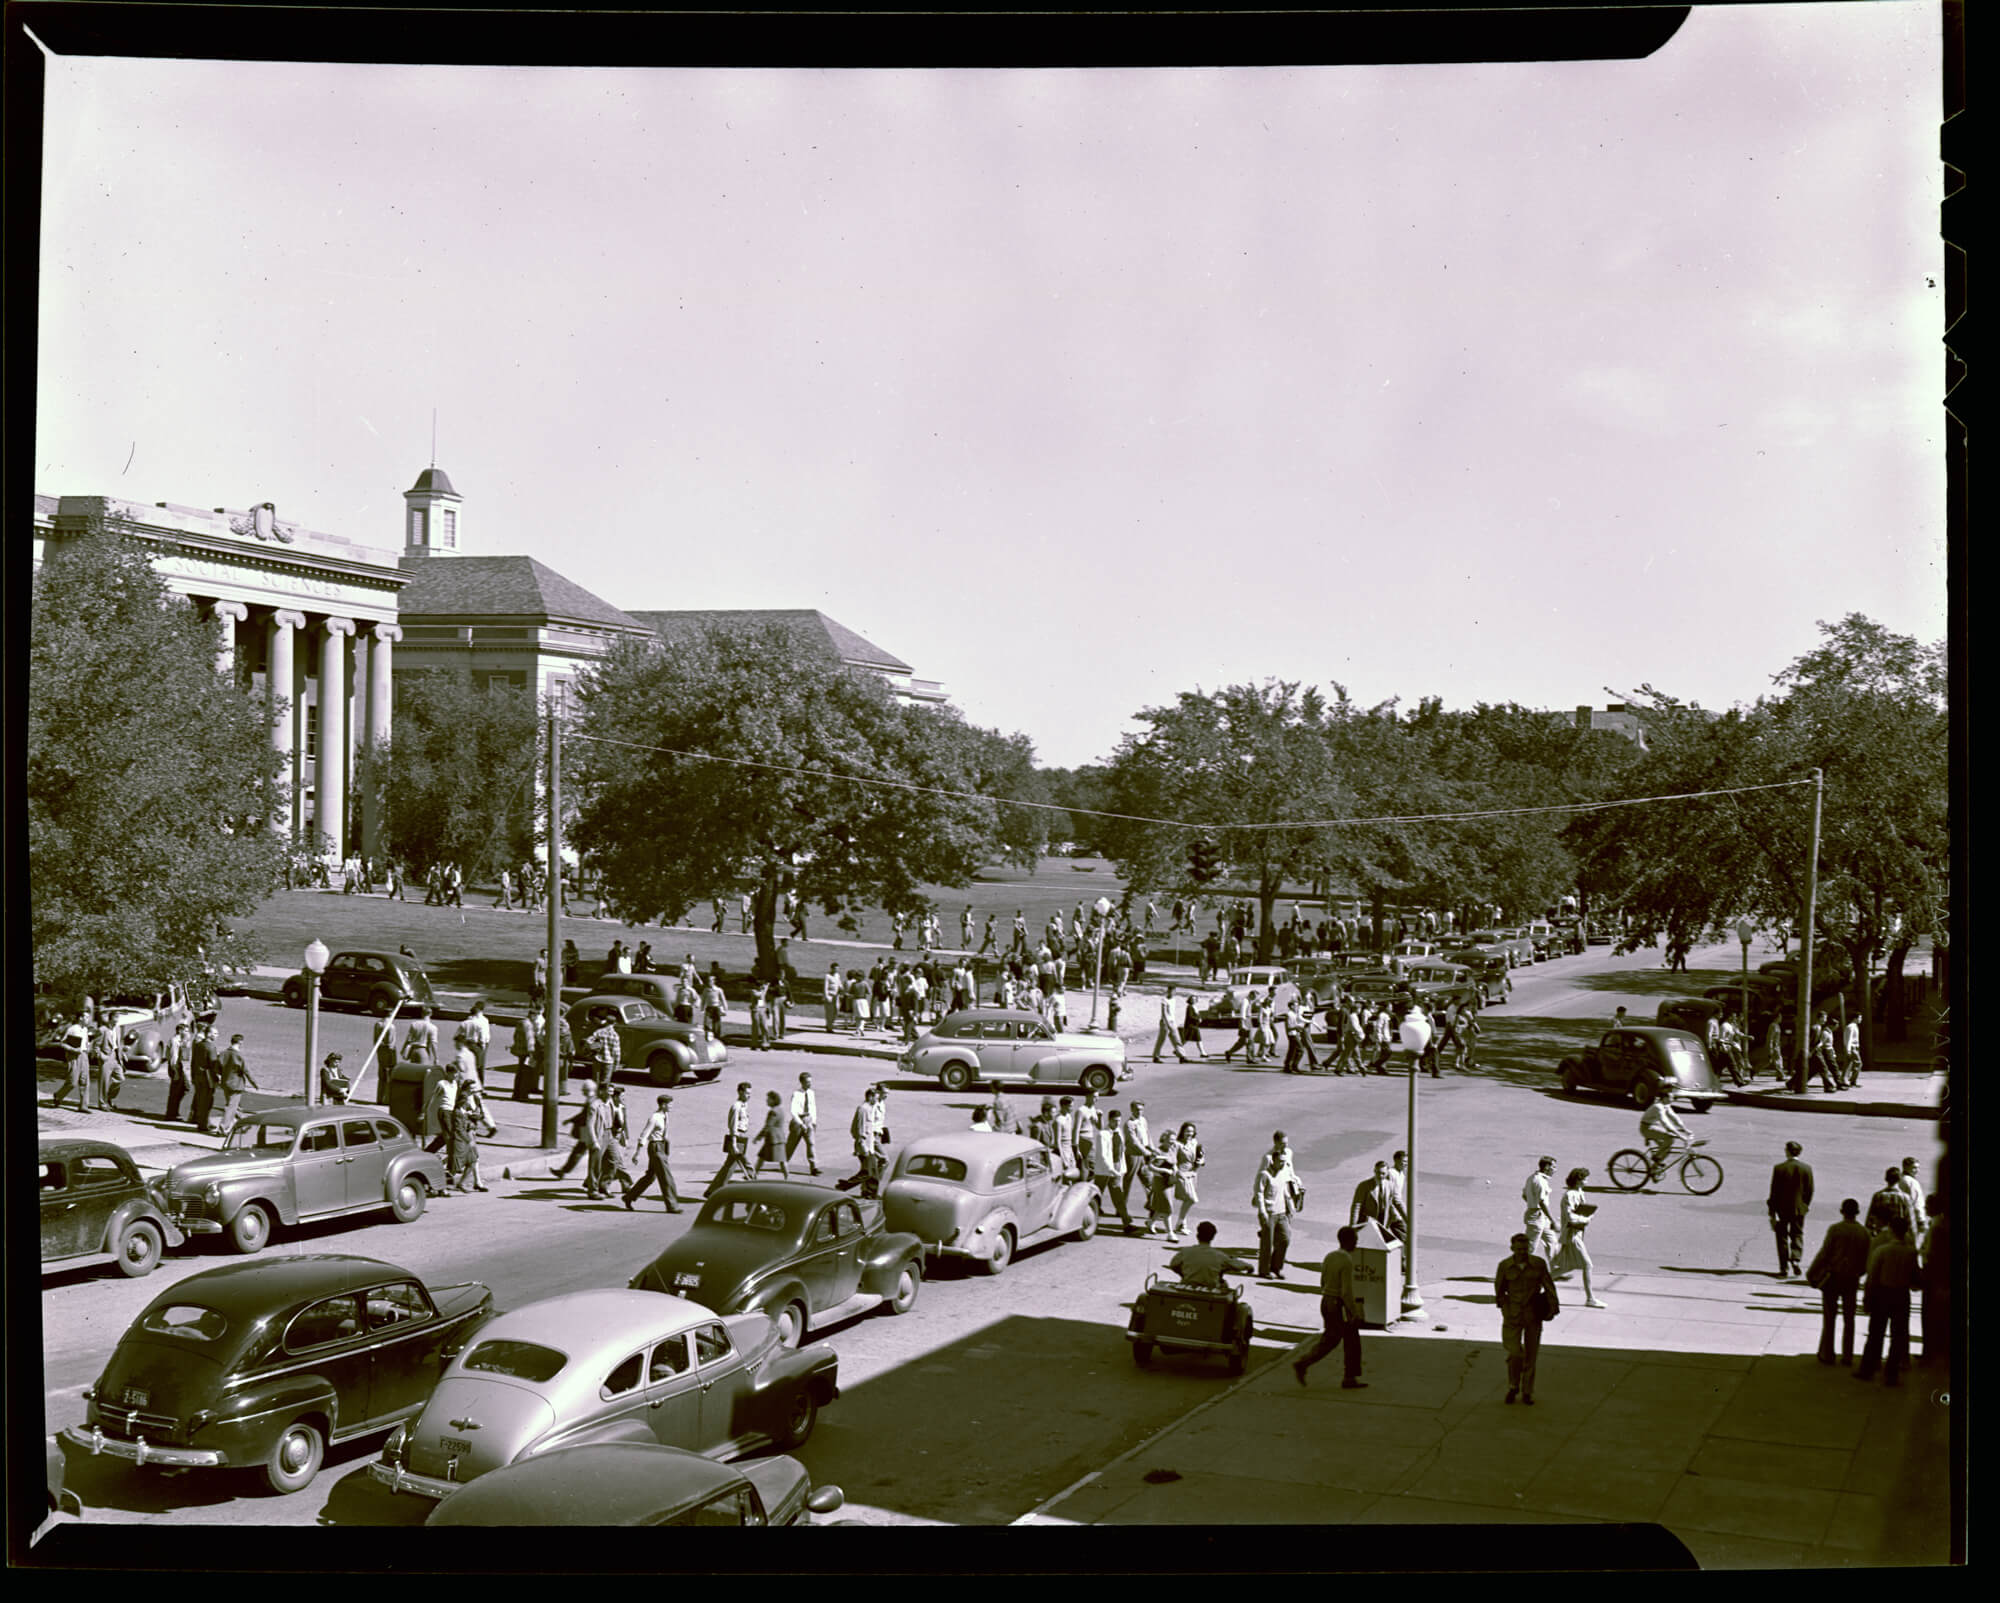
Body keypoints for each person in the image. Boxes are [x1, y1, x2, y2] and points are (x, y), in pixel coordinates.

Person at [1294, 1226, 1367, 1389]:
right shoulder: (1347, 1260)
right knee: (1340, 1340)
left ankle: (1349, 1376)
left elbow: (1323, 1281)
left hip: (1326, 1301)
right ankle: (1305, 1363)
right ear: (1348, 1241)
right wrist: (1354, 1312)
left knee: (1340, 1338)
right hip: (1338, 1304)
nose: (1356, 1243)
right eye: (1355, 1240)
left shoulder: (1330, 1256)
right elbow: (1346, 1291)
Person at [1494, 1231, 1560, 1404]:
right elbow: (1499, 1292)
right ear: (1512, 1249)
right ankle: (1513, 1386)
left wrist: (1553, 1308)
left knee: (1531, 1355)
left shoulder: (1538, 1264)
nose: (1522, 1252)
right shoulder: (1505, 1266)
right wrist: (1506, 1310)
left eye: (1525, 1249)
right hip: (1513, 1316)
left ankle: (1527, 1392)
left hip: (1533, 1316)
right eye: (1519, 1249)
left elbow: (1549, 1286)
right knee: (1515, 1354)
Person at [1854, 1216, 1921, 1386]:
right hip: (1901, 1295)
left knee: (1876, 1334)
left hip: (1882, 1294)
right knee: (1898, 1336)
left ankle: (1868, 1368)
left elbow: (1872, 1278)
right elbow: (1915, 1280)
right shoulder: (1911, 1252)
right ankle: (1892, 1373)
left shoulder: (1881, 1251)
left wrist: (1867, 1298)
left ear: (1890, 1229)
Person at [1806, 1198, 1872, 1365]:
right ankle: (1847, 1355)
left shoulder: (1835, 1230)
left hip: (1834, 1277)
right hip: (1852, 1278)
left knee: (1830, 1316)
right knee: (1849, 1318)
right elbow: (1867, 1259)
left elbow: (1824, 1253)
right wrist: (1859, 1272)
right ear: (1857, 1213)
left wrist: (1812, 1272)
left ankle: (1827, 1353)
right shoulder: (1864, 1233)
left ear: (1842, 1211)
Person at [1553, 1166, 1607, 1307]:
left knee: (1567, 1266)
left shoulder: (1579, 1192)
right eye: (1585, 1178)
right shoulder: (1570, 1195)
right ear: (1578, 1180)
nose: (1587, 1181)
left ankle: (1534, 1284)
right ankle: (1590, 1298)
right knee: (1587, 1265)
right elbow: (1570, 1216)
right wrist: (1587, 1219)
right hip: (1572, 1234)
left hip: (1577, 1233)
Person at [1253, 1133, 1305, 1278]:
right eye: (1280, 1162)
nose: (1283, 1164)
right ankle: (1264, 1270)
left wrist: (1297, 1187)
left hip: (1282, 1210)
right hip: (1269, 1211)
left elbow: (1290, 1175)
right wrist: (1262, 1211)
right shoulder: (1266, 1167)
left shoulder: (1285, 1162)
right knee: (1267, 1243)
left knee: (1285, 1238)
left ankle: (1276, 1267)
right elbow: (1258, 1191)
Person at [1766, 1140, 1815, 1278]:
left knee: (1781, 1237)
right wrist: (1805, 1205)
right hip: (1799, 1209)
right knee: (1797, 1234)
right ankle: (1795, 1259)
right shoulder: (1807, 1168)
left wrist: (1772, 1211)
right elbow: (1810, 1190)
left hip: (1782, 1209)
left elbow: (1774, 1191)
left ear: (1787, 1151)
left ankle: (1784, 1268)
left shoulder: (1779, 1168)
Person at [1091, 1110, 1134, 1233]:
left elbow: (1121, 1151)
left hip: (1116, 1168)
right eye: (1115, 1121)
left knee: (1118, 1196)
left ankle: (1127, 1223)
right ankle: (1090, 1222)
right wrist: (1111, 1169)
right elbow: (1103, 1155)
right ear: (1109, 1120)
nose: (1117, 1123)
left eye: (1119, 1121)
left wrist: (1121, 1168)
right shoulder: (1102, 1134)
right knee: (1096, 1196)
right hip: (1104, 1170)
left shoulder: (1118, 1132)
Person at [708, 1083, 756, 1193]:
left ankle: (713, 1191)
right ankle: (755, 1187)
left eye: (750, 1093)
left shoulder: (744, 1105)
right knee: (747, 1165)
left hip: (741, 1137)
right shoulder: (736, 1107)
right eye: (747, 1093)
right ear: (740, 1092)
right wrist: (734, 1144)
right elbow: (733, 1126)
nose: (749, 1096)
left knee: (729, 1167)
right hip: (737, 1138)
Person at [1349, 1160, 1406, 1243]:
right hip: (1367, 1222)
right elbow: (1357, 1206)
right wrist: (1353, 1226)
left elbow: (1398, 1203)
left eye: (1383, 1173)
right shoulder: (1364, 1186)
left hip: (1383, 1221)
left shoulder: (1391, 1185)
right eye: (1378, 1172)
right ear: (1374, 1171)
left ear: (1387, 1173)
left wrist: (1408, 1219)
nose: (1380, 1176)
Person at [1168, 1221, 1234, 1289]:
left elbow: (1173, 1265)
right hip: (1210, 1289)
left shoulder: (1186, 1251)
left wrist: (1183, 1274)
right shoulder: (1219, 1255)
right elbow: (1240, 1265)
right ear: (1212, 1237)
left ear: (1197, 1236)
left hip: (1187, 1286)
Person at [212, 1035, 257, 1134]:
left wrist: (225, 1074)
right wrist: (254, 1083)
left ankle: (243, 1124)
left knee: (235, 1106)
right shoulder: (238, 1055)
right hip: (236, 1084)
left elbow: (217, 1068)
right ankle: (223, 1128)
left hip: (225, 1082)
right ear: (240, 1042)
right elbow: (246, 1071)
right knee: (231, 1106)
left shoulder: (223, 1053)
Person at [1638, 1096, 1689, 1181]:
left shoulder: (1666, 1105)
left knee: (1667, 1149)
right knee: (1669, 1139)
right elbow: (1666, 1123)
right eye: (1671, 1097)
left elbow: (1675, 1118)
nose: (1673, 1099)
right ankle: (1655, 1159)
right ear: (1664, 1098)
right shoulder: (1658, 1106)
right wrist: (1680, 1135)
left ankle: (1654, 1169)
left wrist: (1685, 1129)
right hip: (1647, 1128)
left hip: (1654, 1126)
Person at [1169, 1122, 1205, 1240]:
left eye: (1191, 1131)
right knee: (1191, 1199)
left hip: (1193, 1174)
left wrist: (1201, 1161)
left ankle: (1152, 1221)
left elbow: (1201, 1156)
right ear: (1182, 1132)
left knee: (1187, 1199)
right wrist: (1176, 1172)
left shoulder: (1194, 1142)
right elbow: (1173, 1160)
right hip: (1182, 1175)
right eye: (1187, 1131)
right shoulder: (1177, 1144)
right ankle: (1180, 1223)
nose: (1189, 1134)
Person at [1522, 1155, 1560, 1265]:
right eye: (1554, 1167)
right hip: (1537, 1216)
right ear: (1547, 1167)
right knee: (1531, 1246)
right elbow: (1542, 1202)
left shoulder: (1532, 1178)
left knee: (1552, 1242)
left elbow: (1524, 1195)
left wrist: (1531, 1202)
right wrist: (1553, 1220)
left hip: (1539, 1215)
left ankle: (1556, 1270)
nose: (1555, 1170)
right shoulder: (1540, 1182)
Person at [785, 1072, 821, 1175]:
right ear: (802, 1082)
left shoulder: (811, 1093)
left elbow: (813, 1108)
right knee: (791, 1145)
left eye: (810, 1082)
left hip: (808, 1119)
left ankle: (813, 1167)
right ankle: (784, 1163)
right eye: (807, 1082)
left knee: (811, 1143)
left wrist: (814, 1121)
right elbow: (793, 1111)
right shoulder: (796, 1094)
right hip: (798, 1121)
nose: (810, 1084)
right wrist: (801, 1124)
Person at [751, 1090, 791, 1179]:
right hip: (779, 1138)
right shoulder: (780, 1110)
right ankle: (754, 1175)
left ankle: (754, 1175)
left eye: (768, 1099)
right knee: (766, 1157)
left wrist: (758, 1137)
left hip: (773, 1140)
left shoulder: (773, 1112)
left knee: (765, 1158)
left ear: (773, 1100)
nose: (766, 1101)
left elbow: (768, 1126)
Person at [1864, 1166, 1913, 1240]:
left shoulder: (1878, 1196)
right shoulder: (1905, 1198)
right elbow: (1910, 1221)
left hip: (1881, 1236)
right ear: (1899, 1179)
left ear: (1886, 1179)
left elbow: (1869, 1221)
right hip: (1899, 1237)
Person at [1152, 985, 1189, 1063]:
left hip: (1172, 1021)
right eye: (1170, 991)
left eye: (1173, 991)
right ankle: (1156, 1056)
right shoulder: (1164, 1000)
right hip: (1165, 1022)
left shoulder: (1174, 1000)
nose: (1171, 993)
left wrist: (1174, 1022)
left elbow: (1172, 1012)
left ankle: (1182, 1056)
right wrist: (1167, 1022)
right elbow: (1164, 1012)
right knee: (1161, 1040)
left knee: (1177, 1039)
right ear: (1168, 991)